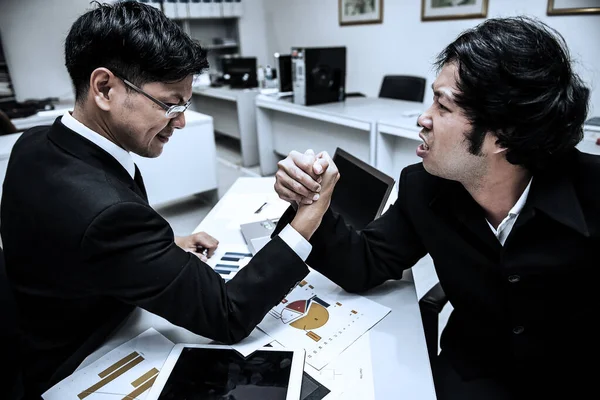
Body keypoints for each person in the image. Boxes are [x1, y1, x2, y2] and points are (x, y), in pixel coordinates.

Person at [0, 2, 331, 398]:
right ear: (104, 88)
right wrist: (308, 218)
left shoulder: (35, 141)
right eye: (169, 103)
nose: (180, 121)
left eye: (185, 105)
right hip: (78, 362)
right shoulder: (107, 214)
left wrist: (158, 249)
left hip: (49, 321)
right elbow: (229, 315)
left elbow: (66, 236)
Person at [272, 17, 596, 399]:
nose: (422, 118)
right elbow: (366, 262)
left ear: (503, 135)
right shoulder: (425, 188)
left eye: (443, 107)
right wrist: (309, 202)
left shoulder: (591, 195)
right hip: (474, 372)